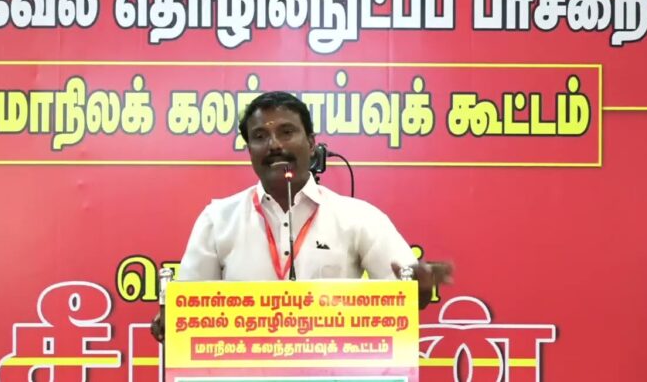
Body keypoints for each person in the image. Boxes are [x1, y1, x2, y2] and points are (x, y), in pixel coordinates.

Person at [151, 91, 453, 341]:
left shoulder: (358, 217)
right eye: (260, 136)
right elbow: (188, 310)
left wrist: (419, 288)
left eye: (286, 132)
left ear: (311, 143)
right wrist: (172, 318)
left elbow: (405, 295)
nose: (274, 145)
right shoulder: (217, 220)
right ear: (250, 150)